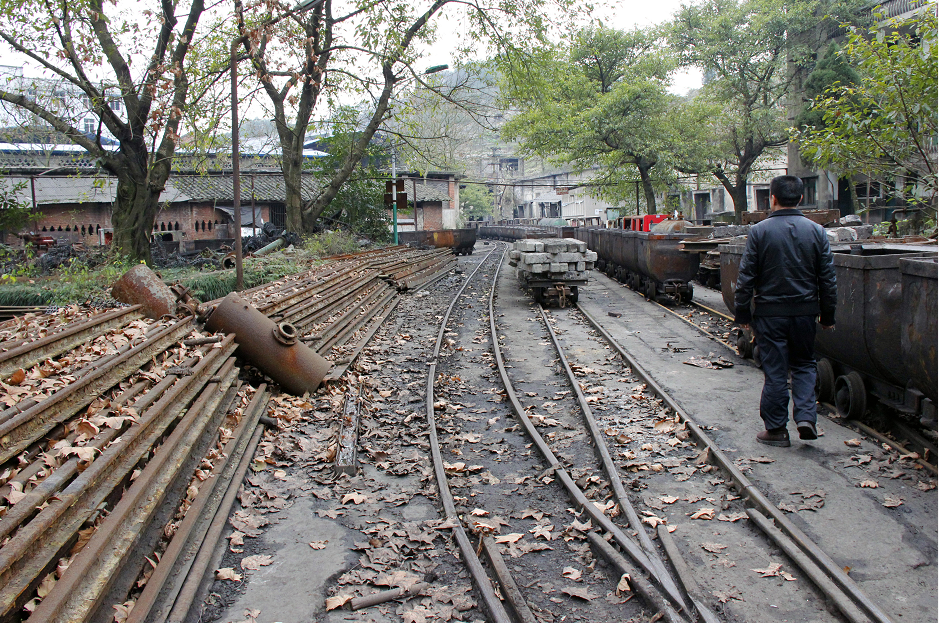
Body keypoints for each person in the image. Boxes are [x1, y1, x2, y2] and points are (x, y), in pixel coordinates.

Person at [734, 176, 837, 447]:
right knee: (804, 365)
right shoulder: (817, 231)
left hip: (770, 314)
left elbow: (746, 278)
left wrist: (743, 314)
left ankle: (777, 430)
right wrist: (827, 316)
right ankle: (806, 418)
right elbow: (827, 279)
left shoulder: (759, 232)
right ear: (801, 199)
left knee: (776, 371)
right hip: (805, 313)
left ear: (772, 198)